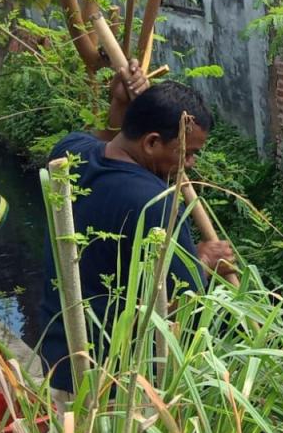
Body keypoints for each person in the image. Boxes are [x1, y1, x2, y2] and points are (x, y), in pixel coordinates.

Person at [38, 60, 235, 393]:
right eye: (187, 152)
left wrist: (118, 103)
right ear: (152, 142)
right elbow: (180, 299)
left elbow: (104, 139)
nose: (190, 163)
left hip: (61, 357)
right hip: (115, 383)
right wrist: (202, 261)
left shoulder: (68, 153)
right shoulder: (156, 203)